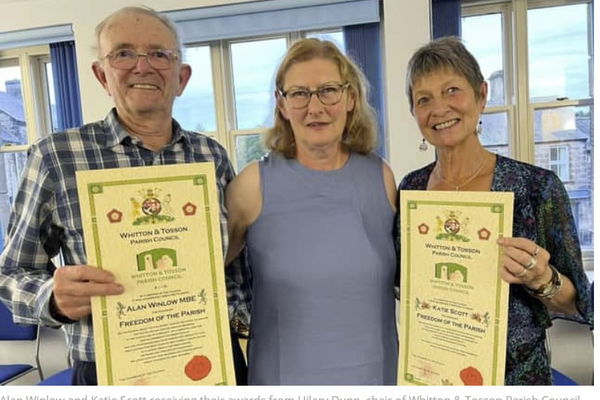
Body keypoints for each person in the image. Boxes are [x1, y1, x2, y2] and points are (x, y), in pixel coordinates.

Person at [0, 6, 248, 385]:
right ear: (102, 74)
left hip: (208, 356)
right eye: (124, 53)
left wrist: (237, 318)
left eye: (159, 54)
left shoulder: (210, 156)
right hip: (112, 369)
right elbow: (11, 273)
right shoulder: (57, 156)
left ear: (181, 78)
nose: (143, 66)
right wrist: (51, 297)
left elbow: (230, 261)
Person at [399, 36, 593, 385]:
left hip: (517, 379)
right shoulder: (411, 190)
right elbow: (405, 281)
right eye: (423, 99)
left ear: (482, 95)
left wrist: (541, 280)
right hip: (435, 373)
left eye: (452, 90)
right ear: (414, 113)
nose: (439, 108)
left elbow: (578, 302)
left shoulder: (537, 188)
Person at [225, 38, 398, 385]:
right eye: (299, 93)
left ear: (350, 99)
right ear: (282, 105)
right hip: (283, 378)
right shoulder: (251, 185)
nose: (314, 107)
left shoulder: (381, 176)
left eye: (328, 91)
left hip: (374, 376)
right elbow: (203, 273)